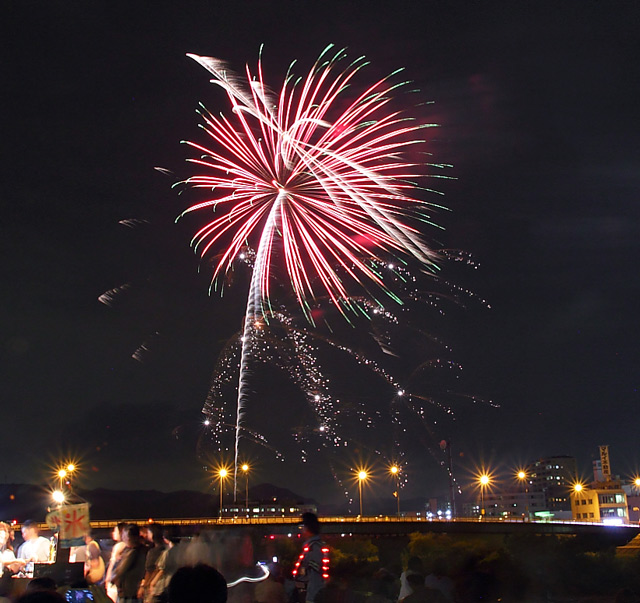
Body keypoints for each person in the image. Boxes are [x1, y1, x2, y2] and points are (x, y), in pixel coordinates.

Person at [292, 513, 329, 603]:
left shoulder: (314, 547)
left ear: (308, 527)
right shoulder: (313, 546)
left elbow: (314, 576)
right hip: (309, 592)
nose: (300, 530)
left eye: (302, 527)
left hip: (312, 594)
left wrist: (310, 598)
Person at [113, 524, 147, 603]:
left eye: (126, 536)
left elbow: (122, 570)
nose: (124, 538)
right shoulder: (133, 550)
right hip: (129, 591)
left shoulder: (135, 552)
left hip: (130, 591)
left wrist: (114, 578)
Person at [106, 522, 127, 602]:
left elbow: (112, 563)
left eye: (115, 531)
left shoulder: (118, 546)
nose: (113, 533)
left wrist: (108, 578)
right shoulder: (127, 546)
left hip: (114, 579)